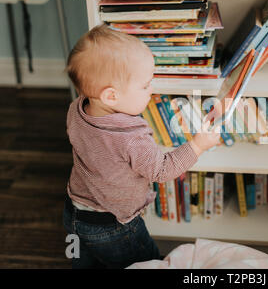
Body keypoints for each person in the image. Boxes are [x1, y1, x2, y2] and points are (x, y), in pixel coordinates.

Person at [62, 24, 221, 268]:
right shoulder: (131, 136)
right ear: (111, 96)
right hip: (115, 225)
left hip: (74, 211)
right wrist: (198, 145)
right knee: (146, 264)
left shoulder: (77, 108)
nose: (152, 89)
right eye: (145, 85)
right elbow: (161, 171)